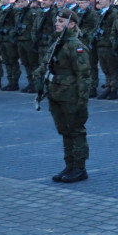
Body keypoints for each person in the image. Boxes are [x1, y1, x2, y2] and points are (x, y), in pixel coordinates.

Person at [36, 10, 91, 184]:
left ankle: (80, 168)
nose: (56, 24)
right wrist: (38, 80)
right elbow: (46, 64)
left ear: (71, 24)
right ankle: (70, 165)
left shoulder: (75, 45)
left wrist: (82, 99)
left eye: (61, 21)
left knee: (76, 131)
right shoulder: (58, 42)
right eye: (56, 21)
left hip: (71, 94)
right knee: (65, 131)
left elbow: (84, 74)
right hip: (56, 93)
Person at [91, 0, 118, 100]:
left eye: (102, 0)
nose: (100, 2)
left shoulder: (114, 13)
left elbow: (116, 29)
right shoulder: (99, 13)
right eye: (99, 0)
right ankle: (108, 87)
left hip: (109, 45)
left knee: (113, 69)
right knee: (105, 69)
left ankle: (113, 89)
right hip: (100, 44)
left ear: (109, 1)